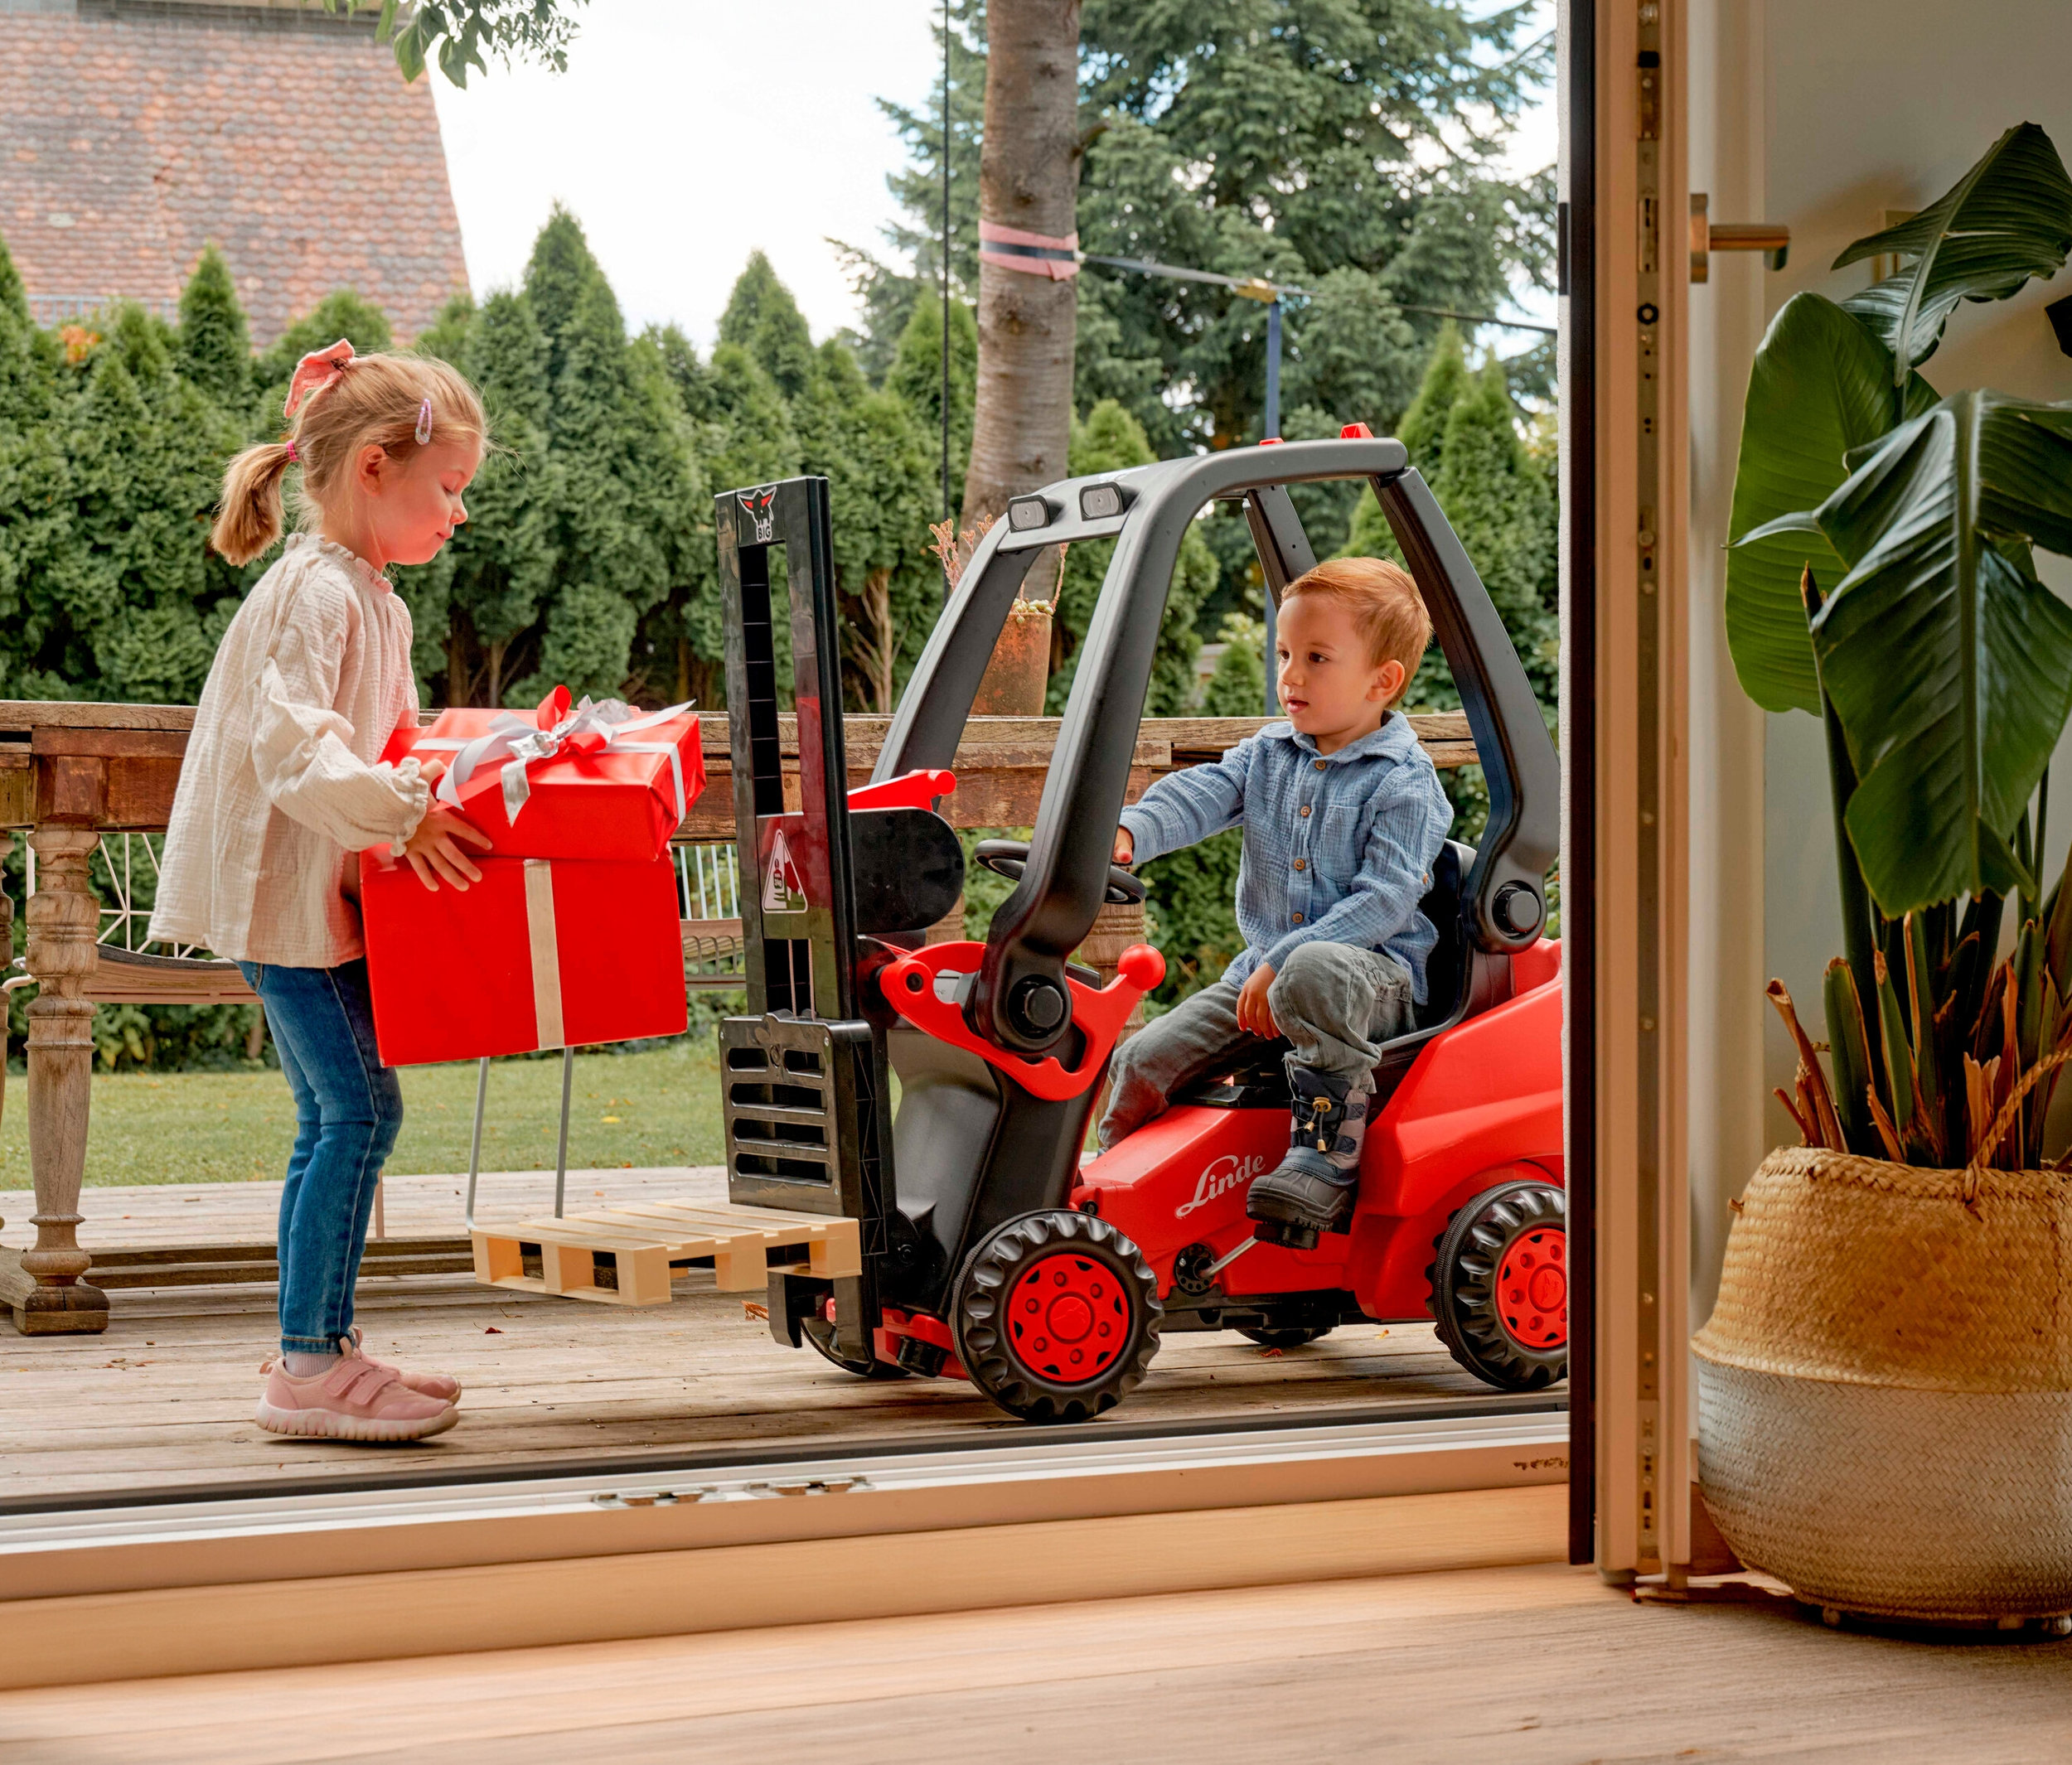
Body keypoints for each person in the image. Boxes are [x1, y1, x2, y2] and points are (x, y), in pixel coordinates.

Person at [149, 341, 495, 1443]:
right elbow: (294, 751)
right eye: (449, 489)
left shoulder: (367, 595)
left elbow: (370, 736)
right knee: (359, 1109)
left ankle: (322, 1344)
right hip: (285, 902)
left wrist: (424, 777)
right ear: (376, 468)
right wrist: (405, 812)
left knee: (329, 1116)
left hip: (306, 900)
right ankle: (308, 1364)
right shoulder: (317, 591)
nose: (458, 513)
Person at [1100, 557, 1454, 1238]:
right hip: (1263, 977)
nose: (1290, 675)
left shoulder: (1406, 784)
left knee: (1314, 966)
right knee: (1141, 1058)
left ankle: (1326, 1158)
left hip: (1369, 985)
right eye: (1285, 652)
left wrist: (1282, 960)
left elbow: (1381, 904)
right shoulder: (1269, 753)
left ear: (1384, 680)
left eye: (1317, 658)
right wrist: (1128, 831)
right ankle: (1109, 1201)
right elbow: (1201, 794)